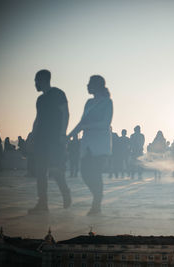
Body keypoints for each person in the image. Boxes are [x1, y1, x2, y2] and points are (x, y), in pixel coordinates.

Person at [68, 75, 113, 215]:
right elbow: (81, 122)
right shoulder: (89, 102)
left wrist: (87, 126)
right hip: (88, 144)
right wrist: (68, 136)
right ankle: (97, 197)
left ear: (97, 85)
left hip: (100, 144)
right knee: (85, 173)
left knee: (95, 173)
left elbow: (106, 123)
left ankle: (96, 204)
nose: (87, 86)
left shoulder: (107, 102)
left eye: (89, 83)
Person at [28, 70, 71, 214]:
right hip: (41, 140)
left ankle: (65, 192)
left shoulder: (58, 94)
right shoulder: (39, 100)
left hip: (54, 139)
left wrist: (62, 134)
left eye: (36, 81)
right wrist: (32, 136)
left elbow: (65, 113)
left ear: (43, 80)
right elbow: (38, 119)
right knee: (41, 172)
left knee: (55, 170)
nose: (35, 84)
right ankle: (42, 204)